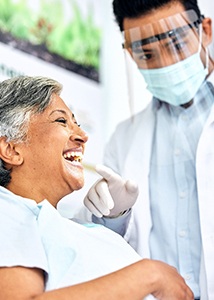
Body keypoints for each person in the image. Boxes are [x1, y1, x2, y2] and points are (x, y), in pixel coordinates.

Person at [0, 75, 194, 300]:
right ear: (11, 149)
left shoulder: (54, 224)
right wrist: (150, 275)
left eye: (78, 124)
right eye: (61, 121)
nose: (83, 136)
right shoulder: (8, 212)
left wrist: (112, 218)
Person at [83, 0, 214, 299]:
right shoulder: (123, 138)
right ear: (131, 54)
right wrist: (113, 216)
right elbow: (111, 253)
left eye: (177, 44)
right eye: (147, 54)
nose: (166, 62)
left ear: (205, 30)